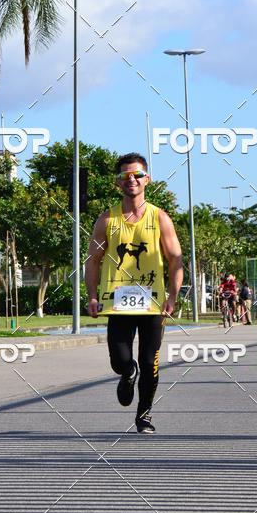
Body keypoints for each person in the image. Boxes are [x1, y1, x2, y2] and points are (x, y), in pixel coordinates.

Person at [85, 153, 183, 434]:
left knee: (149, 361)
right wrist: (92, 295)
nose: (132, 180)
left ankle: (144, 415)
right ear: (118, 182)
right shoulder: (107, 219)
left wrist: (173, 296)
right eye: (126, 176)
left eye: (138, 175)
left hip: (152, 305)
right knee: (120, 360)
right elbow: (92, 261)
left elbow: (175, 259)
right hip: (118, 303)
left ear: (147, 180)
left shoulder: (160, 218)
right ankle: (127, 374)